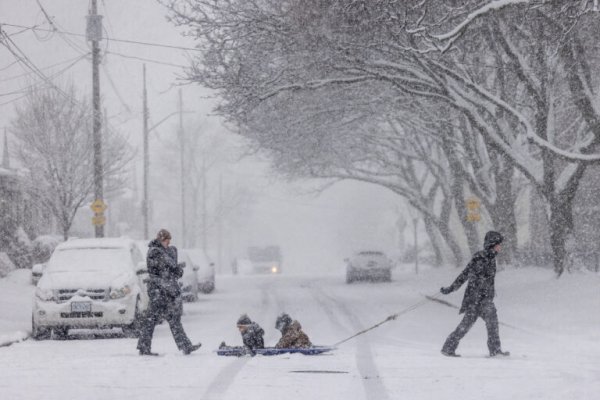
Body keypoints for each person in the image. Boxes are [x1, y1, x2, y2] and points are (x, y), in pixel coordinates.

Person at [440, 230, 510, 358]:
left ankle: (448, 347)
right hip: (477, 299)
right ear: (492, 244)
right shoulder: (480, 257)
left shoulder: (491, 258)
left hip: (481, 299)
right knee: (487, 322)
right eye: (498, 244)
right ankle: (494, 350)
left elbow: (472, 276)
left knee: (472, 324)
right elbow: (466, 274)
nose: (500, 247)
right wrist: (451, 289)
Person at [137, 229, 201, 356]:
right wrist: (173, 265)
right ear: (161, 240)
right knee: (151, 320)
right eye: (166, 240)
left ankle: (185, 346)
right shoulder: (154, 251)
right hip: (158, 291)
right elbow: (166, 267)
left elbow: (174, 270)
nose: (168, 242)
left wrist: (175, 267)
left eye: (169, 240)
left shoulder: (166, 251)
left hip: (167, 291)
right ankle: (144, 347)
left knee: (173, 319)